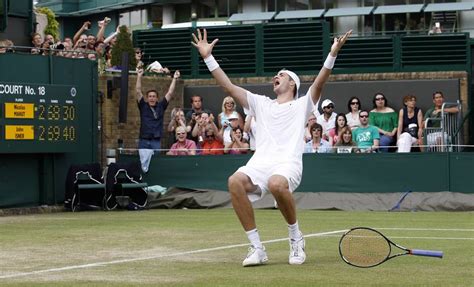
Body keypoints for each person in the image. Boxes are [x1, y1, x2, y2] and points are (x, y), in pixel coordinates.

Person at [192, 28, 351, 266]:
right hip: (260, 164)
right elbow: (228, 87)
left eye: (281, 74)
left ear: (293, 84)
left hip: (288, 164)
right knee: (234, 181)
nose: (276, 76)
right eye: (276, 74)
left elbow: (319, 83)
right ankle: (257, 248)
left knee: (277, 183)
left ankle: (296, 237)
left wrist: (333, 53)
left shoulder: (302, 105)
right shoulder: (261, 103)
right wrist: (207, 57)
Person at [136, 67, 180, 151]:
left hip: (156, 141)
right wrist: (139, 76)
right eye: (150, 97)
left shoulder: (161, 106)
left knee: (156, 161)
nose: (152, 98)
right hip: (144, 140)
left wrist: (174, 78)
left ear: (157, 98)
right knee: (143, 162)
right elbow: (138, 91)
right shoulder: (143, 105)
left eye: (154, 96)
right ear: (147, 98)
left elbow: (170, 93)